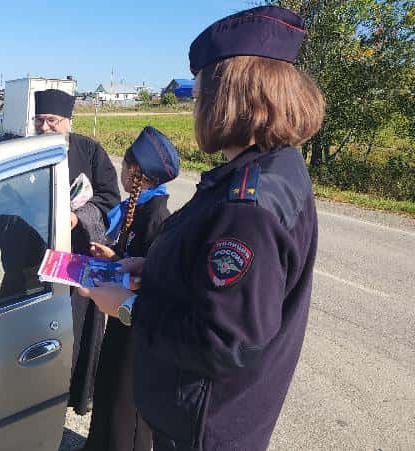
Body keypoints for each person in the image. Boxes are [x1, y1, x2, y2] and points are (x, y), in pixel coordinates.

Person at [79, 6, 325, 450]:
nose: (195, 109)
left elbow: (224, 341)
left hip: (201, 429)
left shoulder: (249, 204)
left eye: (198, 97)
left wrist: (128, 307)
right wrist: (153, 268)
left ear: (227, 98)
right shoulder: (269, 168)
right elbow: (210, 273)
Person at [84, 126, 179, 451]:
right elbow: (134, 260)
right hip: (120, 320)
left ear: (135, 171)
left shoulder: (156, 216)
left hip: (137, 328)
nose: (121, 172)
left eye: (124, 165)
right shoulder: (135, 209)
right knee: (107, 391)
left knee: (125, 409)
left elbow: (152, 278)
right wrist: (113, 258)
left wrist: (118, 268)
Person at [33, 88, 121, 414]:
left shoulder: (90, 151)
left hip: (79, 262)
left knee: (78, 331)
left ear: (68, 121)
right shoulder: (27, 152)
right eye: (39, 121)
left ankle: (75, 395)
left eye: (52, 121)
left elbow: (110, 199)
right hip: (38, 261)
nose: (44, 127)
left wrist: (77, 216)